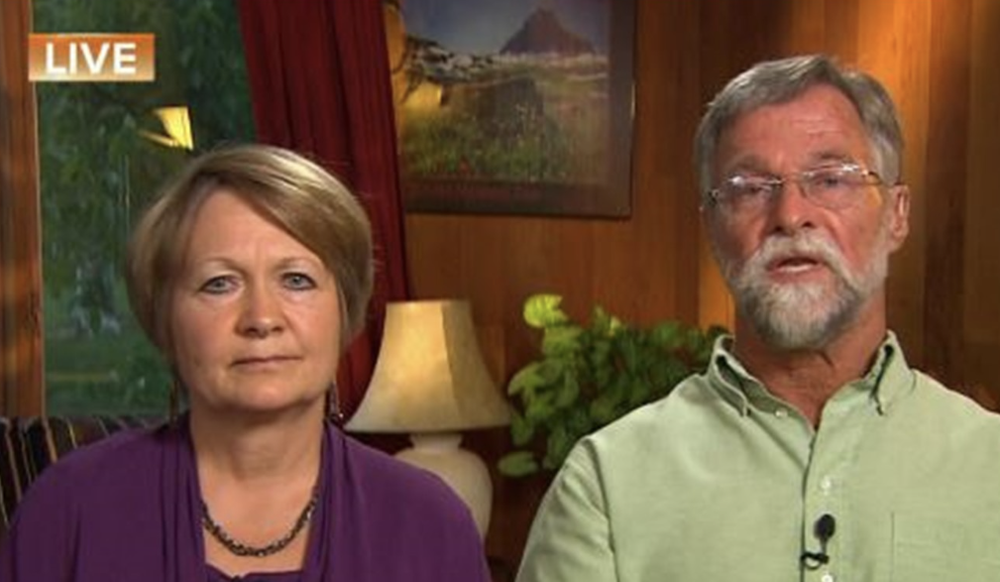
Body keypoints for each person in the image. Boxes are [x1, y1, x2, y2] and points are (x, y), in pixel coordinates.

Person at [516, 55, 1000, 582]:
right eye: (749, 188)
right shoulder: (605, 487)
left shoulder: (988, 463)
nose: (790, 216)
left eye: (831, 180)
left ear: (897, 214)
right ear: (711, 227)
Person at [0, 144, 490, 582]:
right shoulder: (69, 511)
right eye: (220, 284)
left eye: (296, 280)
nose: (261, 319)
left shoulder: (429, 525)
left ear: (345, 309)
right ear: (164, 318)